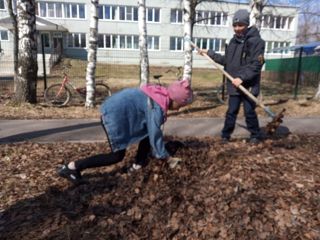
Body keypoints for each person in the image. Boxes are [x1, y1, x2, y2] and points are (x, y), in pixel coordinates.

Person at [57, 79, 193, 184]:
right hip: (113, 115)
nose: (180, 108)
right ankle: (73, 167)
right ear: (174, 100)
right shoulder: (156, 107)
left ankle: (138, 164)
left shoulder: (160, 94)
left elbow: (151, 132)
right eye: (181, 105)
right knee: (116, 156)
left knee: (146, 133)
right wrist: (167, 157)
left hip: (115, 109)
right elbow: (155, 133)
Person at [199, 9, 265, 144]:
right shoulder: (233, 42)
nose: (237, 28)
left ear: (247, 25)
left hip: (249, 84)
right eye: (235, 25)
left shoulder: (256, 42)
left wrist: (242, 77)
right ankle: (225, 135)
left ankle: (255, 135)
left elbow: (256, 65)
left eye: (241, 25)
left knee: (249, 111)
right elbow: (226, 61)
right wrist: (210, 53)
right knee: (232, 111)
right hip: (234, 83)